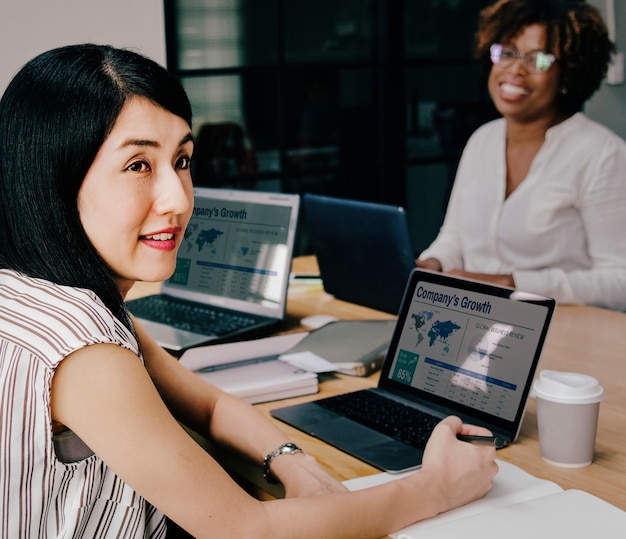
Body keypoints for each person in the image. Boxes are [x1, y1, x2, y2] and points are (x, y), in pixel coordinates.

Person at [0, 44, 497, 538]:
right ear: (54, 180)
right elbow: (246, 532)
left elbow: (212, 407)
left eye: (182, 160)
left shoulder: (39, 291)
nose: (178, 198)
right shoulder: (83, 349)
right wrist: (438, 487)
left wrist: (295, 465)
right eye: (138, 166)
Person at [417, 0, 626, 311]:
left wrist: (512, 283)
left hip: (562, 333)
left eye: (538, 59)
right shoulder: (482, 140)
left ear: (568, 73)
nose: (515, 69)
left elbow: (619, 281)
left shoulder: (602, 155)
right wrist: (432, 263)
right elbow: (454, 239)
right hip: (472, 320)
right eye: (507, 52)